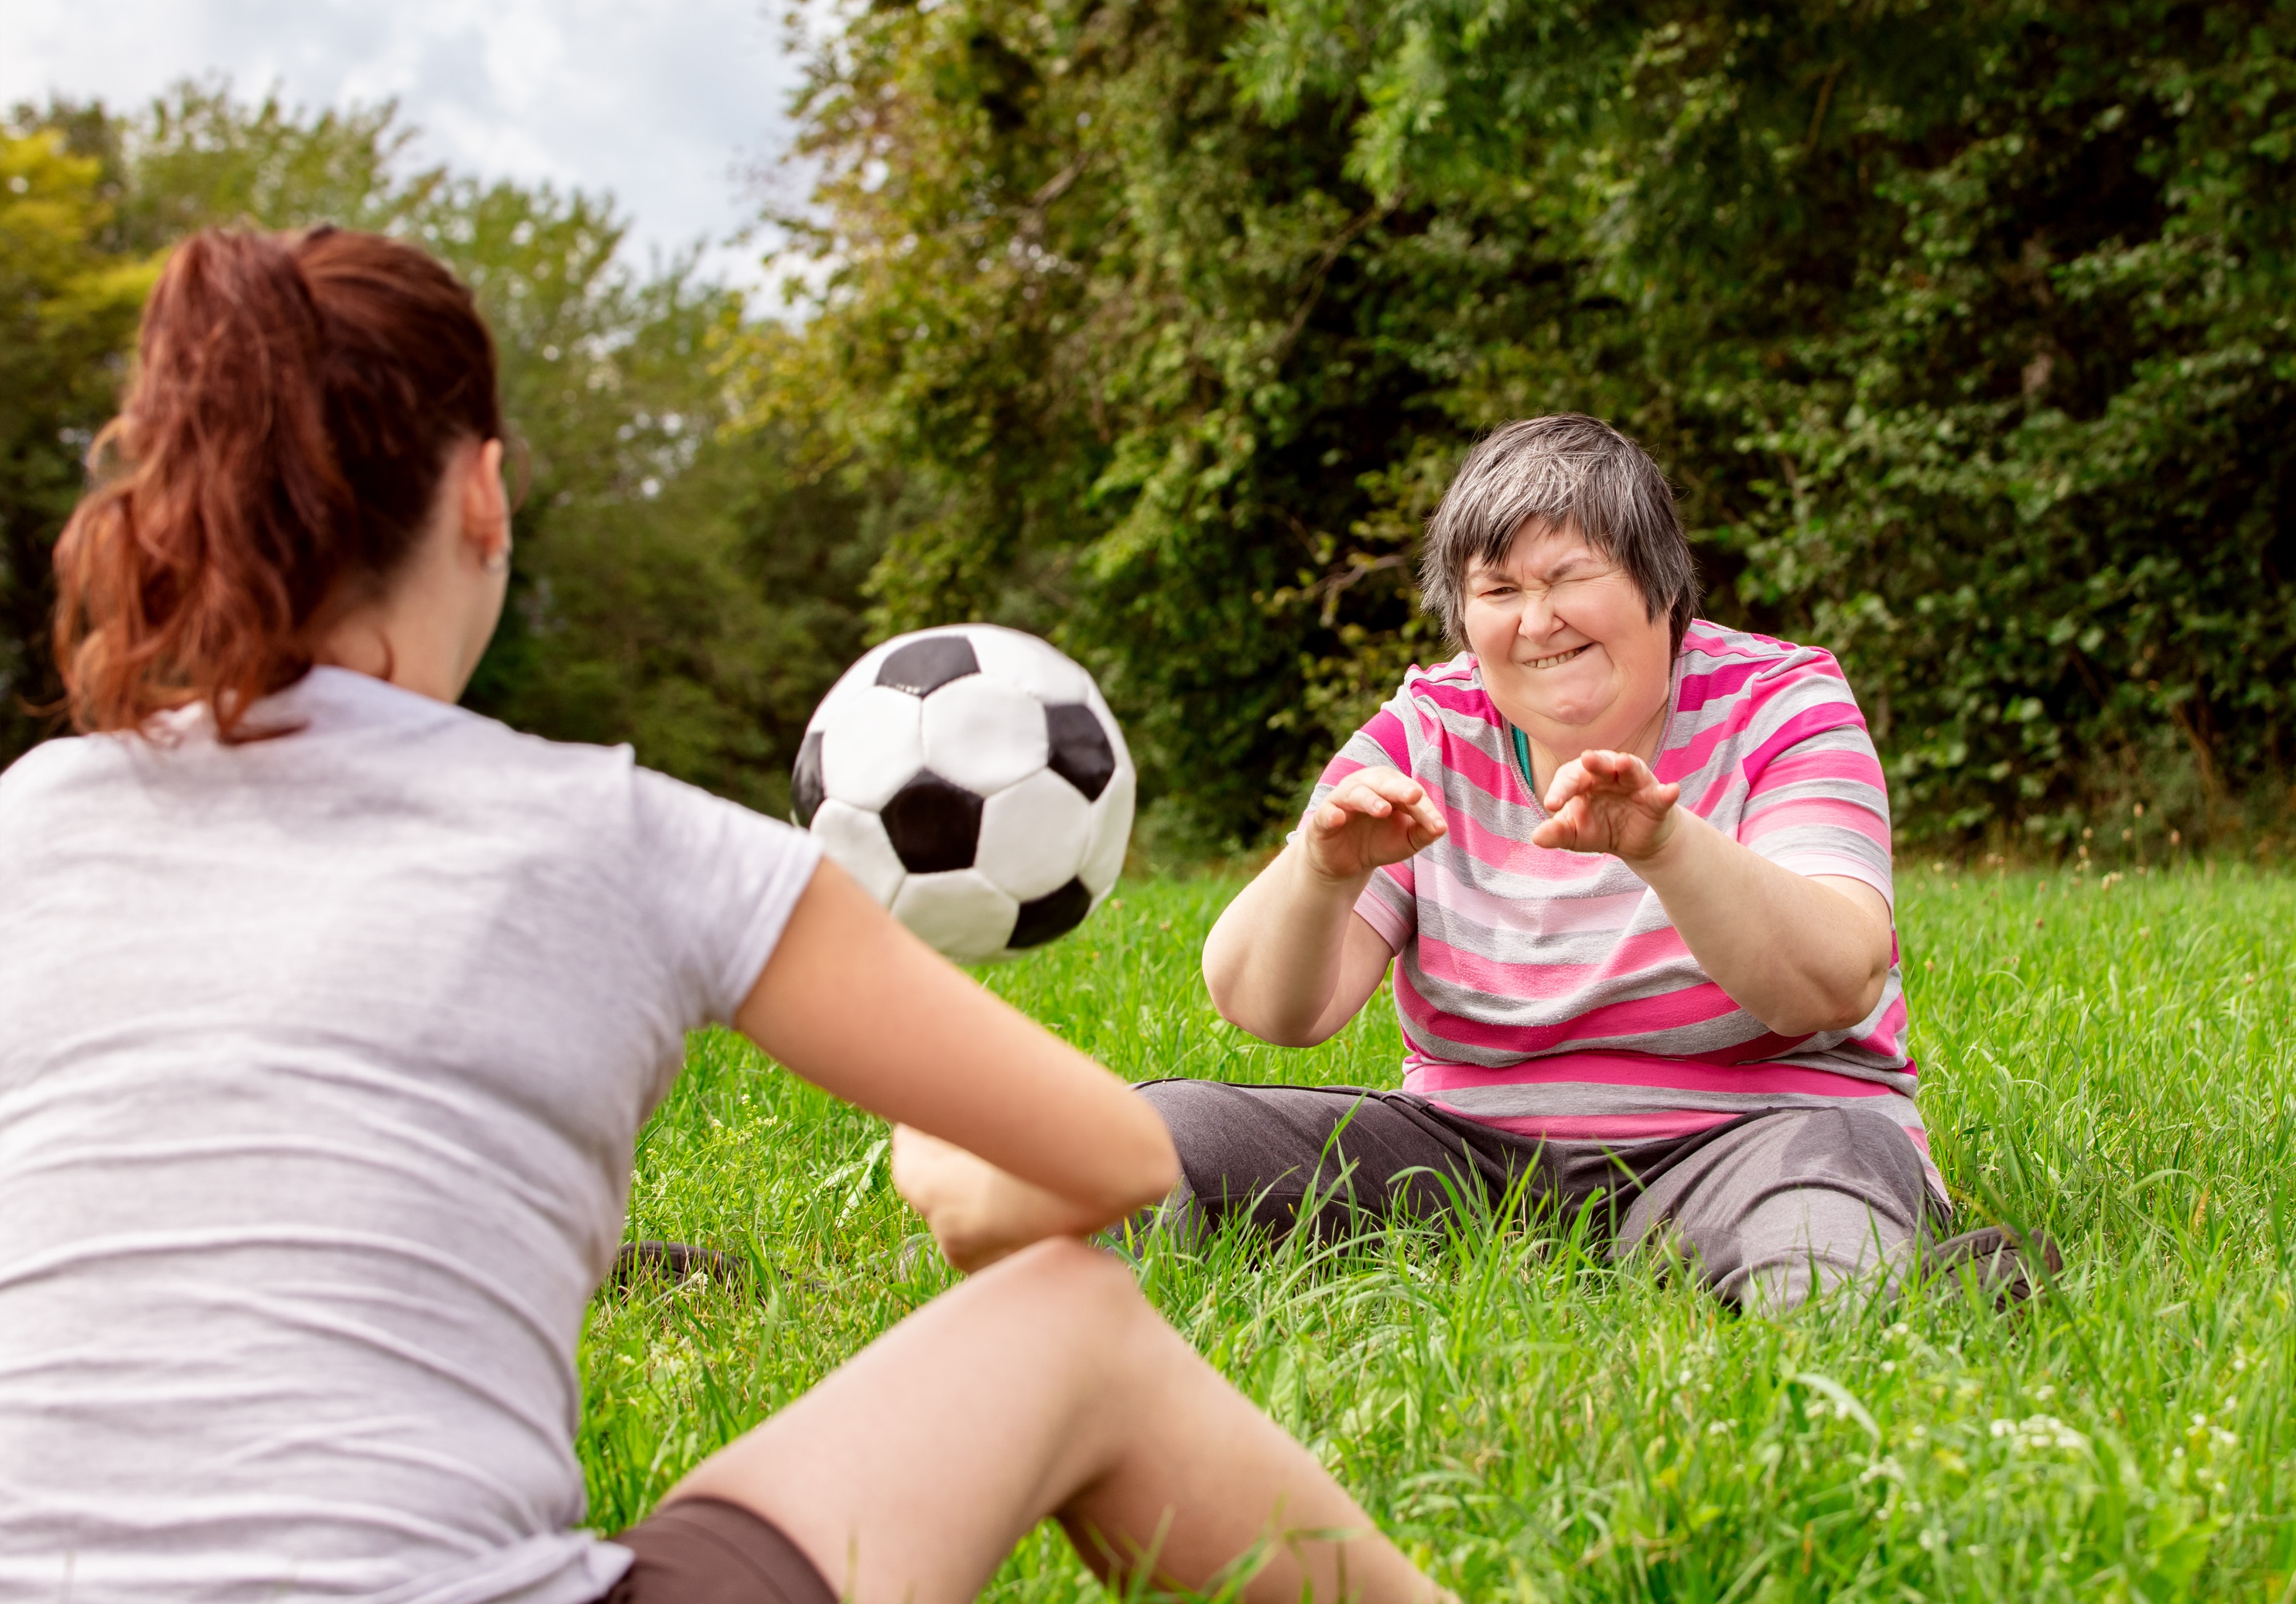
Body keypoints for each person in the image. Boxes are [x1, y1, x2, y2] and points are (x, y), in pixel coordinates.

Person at [0, 226, 1440, 1604]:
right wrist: (942, 1167)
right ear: (483, 497)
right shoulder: (609, 831)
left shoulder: (34, 815)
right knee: (1076, 1327)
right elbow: (1120, 1155)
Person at [1163, 415, 2051, 1311]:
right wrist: (1321, 873)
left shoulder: (1784, 703)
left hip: (1753, 1141)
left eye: (1569, 578)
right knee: (1141, 1137)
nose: (1537, 621)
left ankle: (1903, 1283)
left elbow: (1837, 980)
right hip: (1473, 1161)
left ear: (1661, 583)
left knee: (1822, 1236)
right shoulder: (1427, 729)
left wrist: (1667, 846)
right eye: (1499, 589)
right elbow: (1277, 1009)